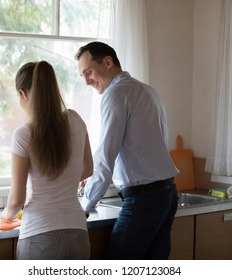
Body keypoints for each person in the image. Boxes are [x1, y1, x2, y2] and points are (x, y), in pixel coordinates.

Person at [75, 41, 179, 260]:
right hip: (166, 193)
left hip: (144, 198)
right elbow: (142, 149)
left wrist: (84, 206)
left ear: (108, 62)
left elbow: (106, 157)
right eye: (82, 75)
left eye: (89, 72)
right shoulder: (147, 90)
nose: (86, 81)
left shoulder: (115, 94)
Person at [1, 61, 93, 260]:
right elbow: (87, 169)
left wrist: (6, 215)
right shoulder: (76, 119)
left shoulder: (24, 134)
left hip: (39, 235)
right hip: (78, 234)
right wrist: (64, 181)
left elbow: (17, 200)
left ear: (23, 94)